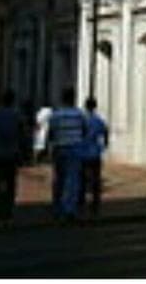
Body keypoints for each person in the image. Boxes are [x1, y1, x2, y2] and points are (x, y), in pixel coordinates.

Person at [0, 90, 24, 223]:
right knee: (11, 183)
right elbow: (22, 133)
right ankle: (8, 210)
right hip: (12, 154)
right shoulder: (17, 115)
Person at [47, 88, 86, 222]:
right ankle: (70, 209)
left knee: (59, 179)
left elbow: (51, 133)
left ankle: (57, 207)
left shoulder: (56, 115)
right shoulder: (79, 114)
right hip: (75, 148)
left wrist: (51, 147)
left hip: (59, 147)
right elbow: (84, 131)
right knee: (73, 179)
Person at [78, 97, 108, 217]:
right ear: (95, 107)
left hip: (82, 152)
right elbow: (105, 132)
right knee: (96, 179)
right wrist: (104, 145)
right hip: (95, 152)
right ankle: (95, 203)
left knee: (82, 178)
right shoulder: (98, 120)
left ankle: (81, 202)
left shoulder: (82, 120)